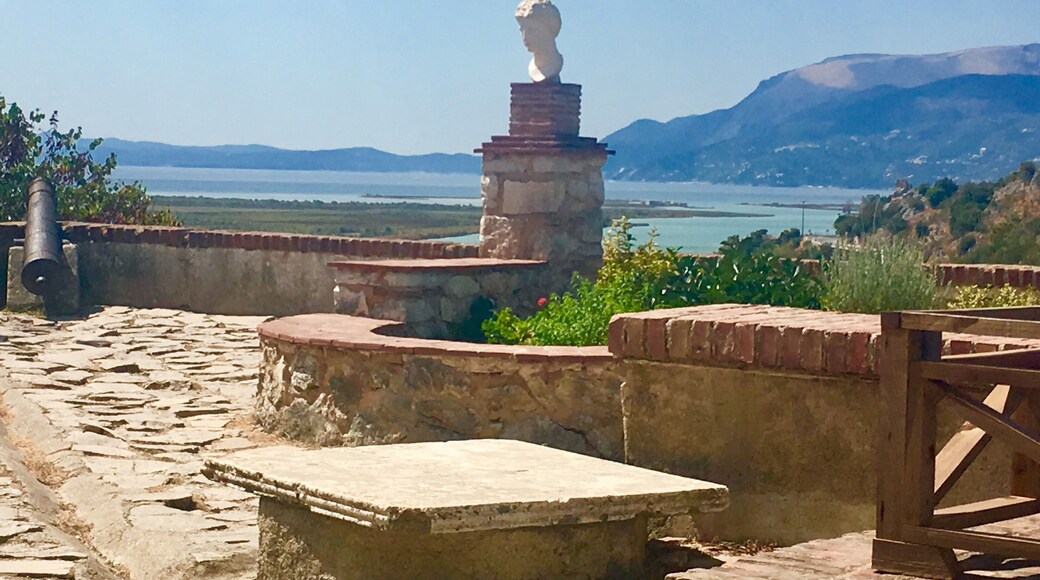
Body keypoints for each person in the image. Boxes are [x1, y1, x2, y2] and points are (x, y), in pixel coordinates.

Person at [515, 0, 563, 83]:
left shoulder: (554, 66)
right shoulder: (532, 67)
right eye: (522, 30)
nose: (525, 37)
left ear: (550, 29)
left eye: (532, 30)